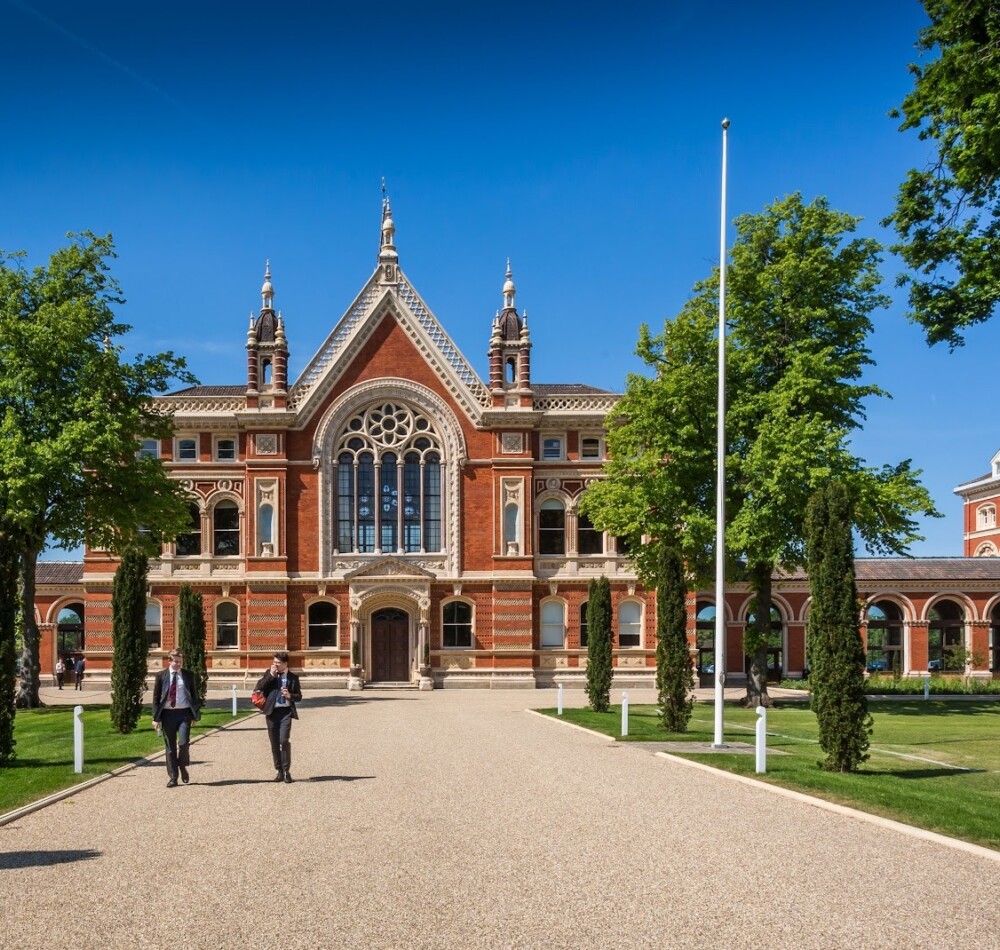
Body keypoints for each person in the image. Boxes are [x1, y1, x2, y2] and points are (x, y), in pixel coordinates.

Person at [151, 650, 201, 788]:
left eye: (180, 661)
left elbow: (194, 696)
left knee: (184, 743)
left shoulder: (188, 675)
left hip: (184, 714)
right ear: (169, 661)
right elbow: (156, 698)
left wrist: (195, 715)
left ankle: (182, 765)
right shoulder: (161, 676)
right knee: (170, 748)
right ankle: (173, 777)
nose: (179, 664)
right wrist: (156, 718)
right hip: (167, 715)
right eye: (176, 661)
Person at [255, 651, 302, 783]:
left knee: (284, 740)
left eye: (278, 662)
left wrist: (290, 696)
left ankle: (287, 771)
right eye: (274, 662)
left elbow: (299, 696)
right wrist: (271, 675)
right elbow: (259, 687)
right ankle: (279, 771)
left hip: (286, 712)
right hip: (271, 712)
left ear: (285, 664)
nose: (275, 664)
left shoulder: (293, 677)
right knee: (274, 743)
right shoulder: (269, 674)